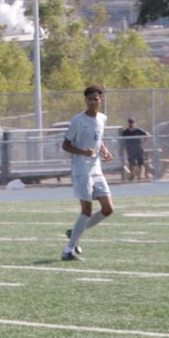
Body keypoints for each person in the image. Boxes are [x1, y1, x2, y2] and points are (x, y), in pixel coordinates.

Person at [61, 84, 115, 261]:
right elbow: (65, 145)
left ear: (101, 100)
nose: (93, 102)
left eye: (96, 99)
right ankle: (68, 250)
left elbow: (97, 139)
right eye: (89, 99)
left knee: (108, 209)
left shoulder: (102, 118)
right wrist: (83, 152)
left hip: (96, 169)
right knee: (86, 210)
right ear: (85, 100)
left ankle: (75, 232)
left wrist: (104, 150)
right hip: (81, 170)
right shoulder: (78, 120)